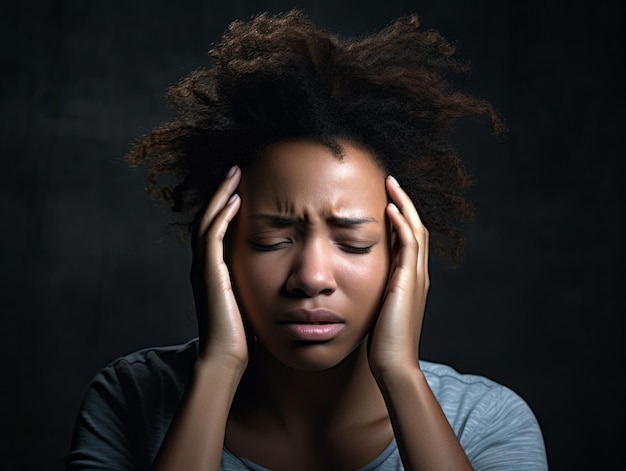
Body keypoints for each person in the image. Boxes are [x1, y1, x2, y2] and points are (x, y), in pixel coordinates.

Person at [66, 10, 548, 471]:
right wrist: (217, 368)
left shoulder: (485, 422)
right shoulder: (128, 399)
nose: (311, 278)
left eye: (354, 243)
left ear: (405, 254)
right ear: (218, 251)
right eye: (271, 240)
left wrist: (401, 375)